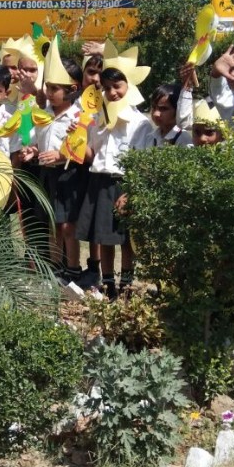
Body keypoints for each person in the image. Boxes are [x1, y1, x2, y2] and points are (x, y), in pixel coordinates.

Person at [76, 65, 151, 297]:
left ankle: (126, 284)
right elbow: (92, 155)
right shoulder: (97, 119)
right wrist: (76, 135)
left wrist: (131, 191)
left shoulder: (140, 122)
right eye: (107, 88)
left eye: (117, 86)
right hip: (99, 182)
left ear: (130, 86)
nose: (112, 92)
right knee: (102, 236)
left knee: (125, 239)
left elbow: (142, 159)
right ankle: (108, 285)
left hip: (124, 183)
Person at [24, 44, 84, 283]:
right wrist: (34, 150)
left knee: (67, 226)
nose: (49, 92)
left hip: (68, 176)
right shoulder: (44, 113)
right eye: (47, 87)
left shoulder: (78, 116)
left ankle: (73, 269)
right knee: (51, 223)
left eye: (55, 88)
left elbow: (82, 150)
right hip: (46, 176)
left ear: (72, 89)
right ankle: (55, 266)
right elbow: (41, 140)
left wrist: (60, 156)